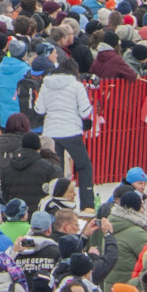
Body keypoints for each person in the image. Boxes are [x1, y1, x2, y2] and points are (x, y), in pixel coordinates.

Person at [34, 61, 97, 211]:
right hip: (71, 131)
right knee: (84, 166)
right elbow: (85, 112)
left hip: (51, 131)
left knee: (57, 169)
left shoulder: (46, 84)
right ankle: (87, 204)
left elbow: (39, 109)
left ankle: (59, 203)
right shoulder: (76, 86)